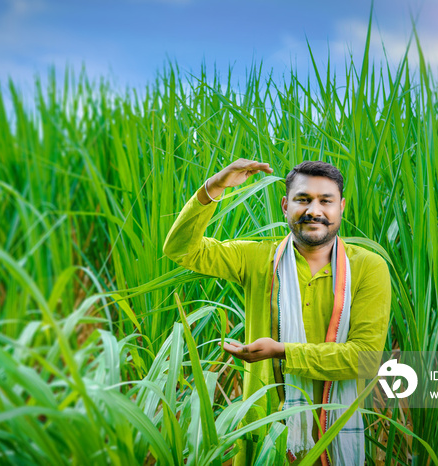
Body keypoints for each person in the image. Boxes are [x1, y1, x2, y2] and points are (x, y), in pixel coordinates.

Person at [163, 158, 391, 465]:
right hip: (266, 432)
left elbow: (364, 358)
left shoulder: (367, 266)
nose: (314, 211)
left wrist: (281, 352)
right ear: (285, 206)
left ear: (341, 207)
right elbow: (181, 250)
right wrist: (214, 187)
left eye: (326, 201)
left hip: (334, 434)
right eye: (303, 200)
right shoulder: (258, 258)